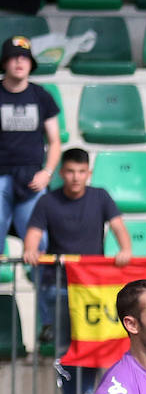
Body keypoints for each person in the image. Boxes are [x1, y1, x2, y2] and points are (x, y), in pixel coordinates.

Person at [23, 147, 132, 394]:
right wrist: (30, 250)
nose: (75, 177)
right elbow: (33, 234)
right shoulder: (48, 201)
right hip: (57, 284)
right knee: (64, 347)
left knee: (92, 342)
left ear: (89, 173)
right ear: (62, 173)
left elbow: (119, 228)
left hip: (92, 286)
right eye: (70, 171)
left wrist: (126, 250)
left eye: (81, 172)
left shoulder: (100, 196)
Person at [0, 36, 59, 248]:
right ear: (4, 62)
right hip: (1, 177)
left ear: (31, 63)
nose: (19, 62)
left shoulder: (41, 96)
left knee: (38, 243)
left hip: (33, 178)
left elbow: (54, 141)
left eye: (24, 58)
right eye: (13, 57)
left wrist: (48, 173)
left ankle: (41, 283)